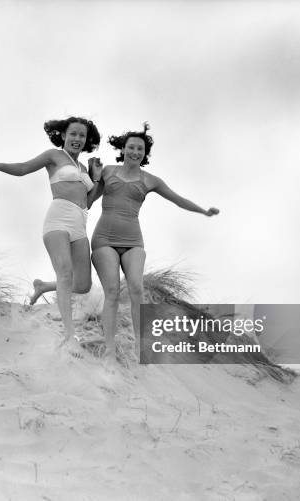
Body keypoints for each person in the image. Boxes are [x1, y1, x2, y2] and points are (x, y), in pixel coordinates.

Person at [89, 123, 219, 364]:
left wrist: (203, 211)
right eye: (131, 147)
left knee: (137, 288)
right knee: (112, 292)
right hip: (104, 239)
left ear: (144, 153)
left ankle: (140, 346)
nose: (135, 152)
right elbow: (88, 202)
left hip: (133, 240)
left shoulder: (150, 180)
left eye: (140, 149)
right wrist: (95, 179)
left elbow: (178, 200)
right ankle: (109, 350)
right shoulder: (107, 171)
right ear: (123, 149)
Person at [0, 117, 103, 352]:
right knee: (66, 273)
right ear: (64, 135)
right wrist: (0, 165)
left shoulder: (82, 168)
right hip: (57, 220)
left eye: (82, 135)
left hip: (80, 225)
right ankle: (70, 337)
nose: (77, 139)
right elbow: (23, 169)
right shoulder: (54, 156)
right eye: (73, 134)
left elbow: (88, 202)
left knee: (82, 285)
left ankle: (43, 286)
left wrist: (96, 176)